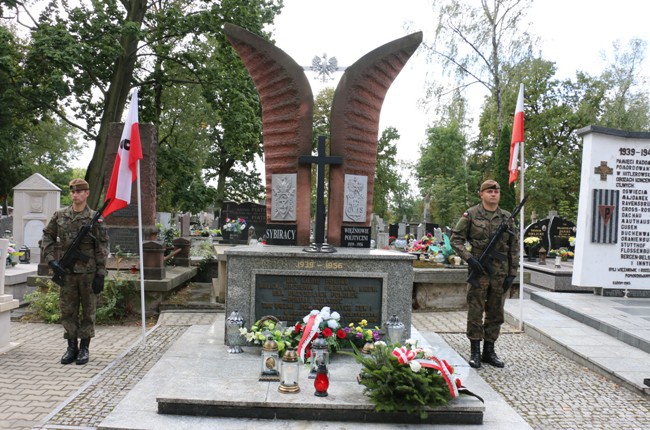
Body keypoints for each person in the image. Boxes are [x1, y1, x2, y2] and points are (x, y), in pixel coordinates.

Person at [450, 179, 519, 369]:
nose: (493, 194)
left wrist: (512, 273)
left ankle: (489, 350)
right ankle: (474, 352)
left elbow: (514, 247)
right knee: (475, 311)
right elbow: (456, 240)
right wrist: (469, 258)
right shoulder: (471, 215)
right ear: (481, 194)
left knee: (496, 312)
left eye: (496, 191)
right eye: (489, 191)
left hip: (500, 273)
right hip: (478, 271)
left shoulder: (507, 218)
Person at [41, 179, 109, 365]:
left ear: (87, 193)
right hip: (67, 272)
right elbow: (47, 236)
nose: (75, 195)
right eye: (73, 192)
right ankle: (71, 347)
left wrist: (101, 274)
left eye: (79, 192)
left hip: (89, 273)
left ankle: (84, 348)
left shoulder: (95, 218)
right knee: (68, 310)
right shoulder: (60, 215)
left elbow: (102, 246)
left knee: (88, 310)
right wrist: (51, 261)